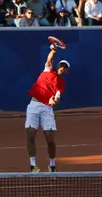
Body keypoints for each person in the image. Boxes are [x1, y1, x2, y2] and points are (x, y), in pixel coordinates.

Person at [25, 43, 70, 173]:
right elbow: (49, 59)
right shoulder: (48, 69)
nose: (62, 68)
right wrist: (54, 51)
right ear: (58, 66)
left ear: (67, 71)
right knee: (30, 134)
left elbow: (57, 98)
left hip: (47, 110)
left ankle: (52, 165)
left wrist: (53, 101)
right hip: (33, 106)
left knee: (50, 139)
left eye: (65, 67)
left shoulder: (61, 84)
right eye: (61, 65)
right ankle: (33, 165)